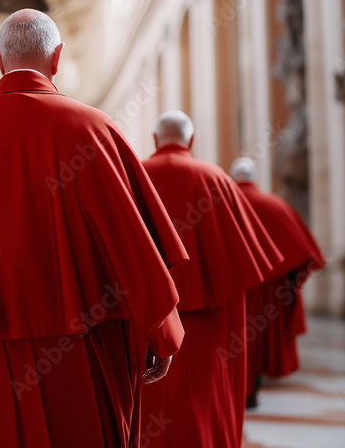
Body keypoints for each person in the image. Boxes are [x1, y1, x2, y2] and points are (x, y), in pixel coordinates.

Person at [0, 9, 189, 448]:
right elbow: (133, 245)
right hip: (83, 356)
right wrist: (162, 332)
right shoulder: (95, 130)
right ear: (58, 57)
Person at [139, 111, 282, 448]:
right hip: (211, 324)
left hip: (147, 320)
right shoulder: (216, 178)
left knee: (149, 403)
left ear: (155, 139)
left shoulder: (134, 176)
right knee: (204, 398)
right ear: (191, 140)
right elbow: (244, 262)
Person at [230, 157, 326, 408]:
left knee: (233, 344)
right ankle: (254, 385)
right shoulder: (275, 205)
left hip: (232, 290)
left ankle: (239, 390)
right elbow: (306, 253)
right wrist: (288, 282)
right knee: (260, 342)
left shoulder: (223, 206)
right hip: (270, 293)